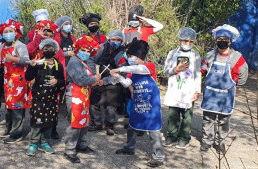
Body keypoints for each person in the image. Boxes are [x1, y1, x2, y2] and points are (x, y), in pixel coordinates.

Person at [113, 38, 165, 168]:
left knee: (154, 131)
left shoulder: (148, 66)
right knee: (132, 126)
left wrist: (120, 70)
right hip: (138, 104)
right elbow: (127, 83)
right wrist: (118, 77)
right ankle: (129, 148)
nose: (129, 58)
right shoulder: (132, 71)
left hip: (151, 106)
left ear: (139, 56)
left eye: (131, 56)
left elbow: (141, 70)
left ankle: (158, 157)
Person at [200, 24, 248, 154]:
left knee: (224, 121)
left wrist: (235, 85)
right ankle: (207, 141)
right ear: (216, 41)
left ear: (230, 42)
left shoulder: (237, 58)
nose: (222, 42)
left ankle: (221, 143)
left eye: (225, 40)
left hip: (226, 97)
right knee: (208, 119)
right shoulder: (210, 55)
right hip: (210, 95)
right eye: (219, 39)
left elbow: (243, 77)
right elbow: (202, 70)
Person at [62, 35, 101, 163]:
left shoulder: (83, 63)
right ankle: (70, 150)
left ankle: (82, 145)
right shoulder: (74, 61)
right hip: (74, 95)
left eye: (89, 51)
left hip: (83, 96)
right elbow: (80, 80)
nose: (86, 53)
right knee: (75, 123)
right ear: (78, 49)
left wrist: (97, 81)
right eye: (83, 50)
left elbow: (87, 80)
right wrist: (94, 79)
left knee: (84, 122)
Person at [162, 28, 202, 148]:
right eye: (185, 41)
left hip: (188, 89)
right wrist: (176, 69)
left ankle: (184, 137)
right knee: (173, 114)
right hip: (175, 89)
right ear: (180, 40)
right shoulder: (172, 53)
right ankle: (171, 136)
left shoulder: (195, 55)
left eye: (190, 42)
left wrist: (197, 91)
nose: (187, 44)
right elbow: (165, 71)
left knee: (187, 115)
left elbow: (197, 73)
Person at [25, 38, 65, 156]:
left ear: (55, 50)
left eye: (51, 48)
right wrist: (32, 66)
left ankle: (45, 143)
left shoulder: (59, 65)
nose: (48, 50)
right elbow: (28, 77)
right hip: (38, 98)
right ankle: (33, 143)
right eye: (45, 48)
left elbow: (63, 81)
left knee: (49, 121)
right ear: (42, 50)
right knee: (37, 121)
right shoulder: (38, 63)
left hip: (52, 99)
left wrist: (57, 81)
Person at [0, 19, 31, 144]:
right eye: (5, 32)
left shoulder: (20, 46)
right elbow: (3, 64)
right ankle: (9, 129)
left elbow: (27, 61)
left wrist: (13, 58)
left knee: (17, 108)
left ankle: (16, 134)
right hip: (8, 81)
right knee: (8, 107)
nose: (7, 34)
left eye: (10, 31)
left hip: (19, 81)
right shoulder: (2, 46)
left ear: (16, 32)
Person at [87, 30, 127, 135]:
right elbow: (91, 59)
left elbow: (122, 74)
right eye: (113, 39)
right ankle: (97, 123)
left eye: (118, 40)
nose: (115, 42)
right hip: (97, 78)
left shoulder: (122, 54)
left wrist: (104, 81)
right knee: (93, 102)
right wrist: (93, 76)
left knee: (111, 105)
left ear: (121, 41)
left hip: (112, 82)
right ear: (108, 39)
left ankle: (110, 124)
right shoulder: (101, 47)